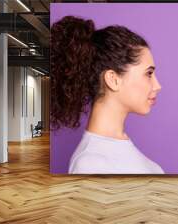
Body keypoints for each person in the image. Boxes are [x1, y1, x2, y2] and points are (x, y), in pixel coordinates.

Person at [50, 16, 164, 174]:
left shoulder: (114, 150)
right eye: (149, 73)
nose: (158, 86)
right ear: (113, 79)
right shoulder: (90, 164)